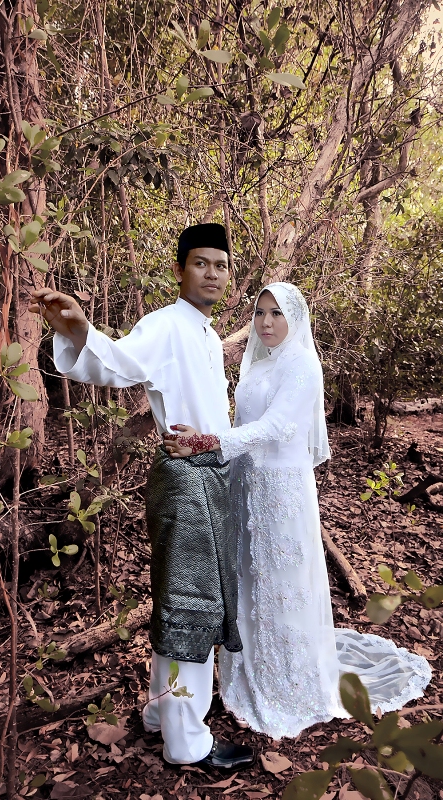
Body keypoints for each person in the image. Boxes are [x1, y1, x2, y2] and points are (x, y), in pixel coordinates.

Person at [28, 224, 255, 768]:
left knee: (187, 603)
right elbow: (120, 362)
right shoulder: (166, 324)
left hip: (209, 475)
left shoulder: (204, 334)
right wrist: (80, 329)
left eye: (221, 265)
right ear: (180, 270)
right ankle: (185, 739)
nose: (213, 274)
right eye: (201, 263)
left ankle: (161, 711)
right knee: (191, 608)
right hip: (185, 479)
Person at [164, 282, 431, 738]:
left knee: (283, 581)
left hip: (284, 491)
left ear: (295, 319)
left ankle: (289, 682)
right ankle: (250, 672)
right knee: (251, 576)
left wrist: (207, 443)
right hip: (248, 486)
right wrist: (210, 443)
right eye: (260, 312)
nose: (266, 322)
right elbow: (243, 424)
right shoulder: (258, 364)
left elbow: (278, 426)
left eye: (277, 314)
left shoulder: (303, 364)